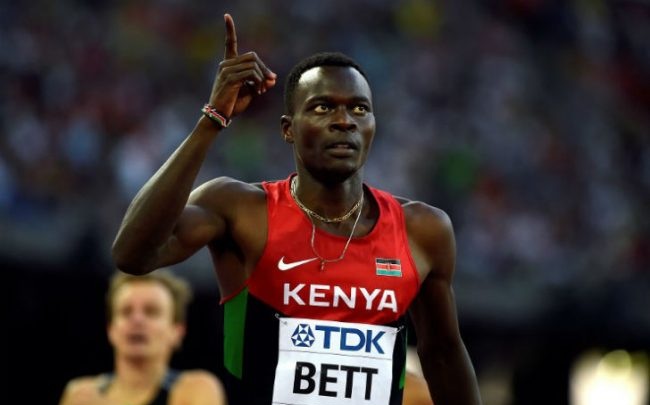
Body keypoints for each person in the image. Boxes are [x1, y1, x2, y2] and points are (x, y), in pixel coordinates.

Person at [111, 12, 482, 405]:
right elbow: (133, 254)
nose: (344, 121)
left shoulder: (422, 230)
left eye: (359, 109)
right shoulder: (241, 209)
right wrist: (212, 119)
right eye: (323, 108)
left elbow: (443, 353)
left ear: (374, 124)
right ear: (288, 128)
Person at [59, 270, 226, 405]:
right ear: (111, 330)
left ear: (177, 331)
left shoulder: (196, 389)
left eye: (151, 311)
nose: (137, 320)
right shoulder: (80, 394)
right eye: (126, 311)